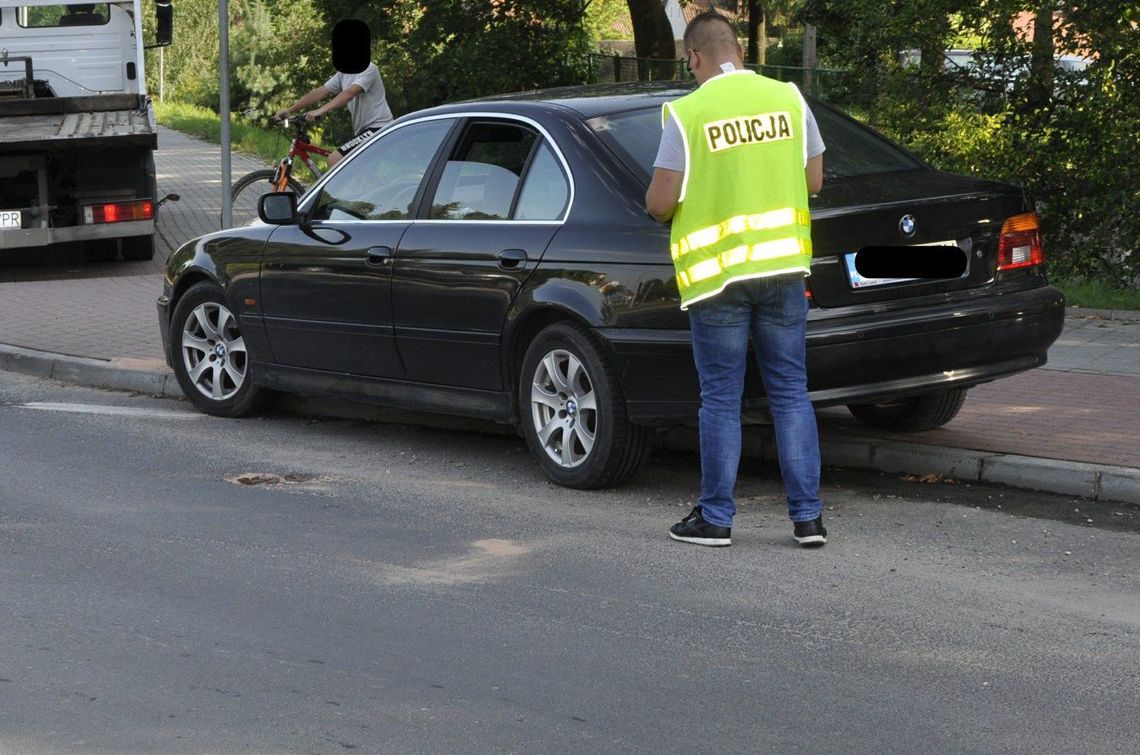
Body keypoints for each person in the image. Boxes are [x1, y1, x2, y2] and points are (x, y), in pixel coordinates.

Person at [645, 11, 828, 549]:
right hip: (783, 270)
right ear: (741, 52)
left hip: (720, 279)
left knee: (722, 398)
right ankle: (808, 519)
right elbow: (813, 180)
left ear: (694, 57)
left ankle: (717, 519)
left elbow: (660, 203)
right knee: (791, 392)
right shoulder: (789, 99)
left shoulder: (687, 113)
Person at [275, 19, 393, 169]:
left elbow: (350, 93)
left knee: (334, 159)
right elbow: (320, 92)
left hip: (379, 128)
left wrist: (321, 110)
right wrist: (290, 110)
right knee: (354, 171)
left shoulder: (370, 68)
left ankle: (333, 193)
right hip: (363, 130)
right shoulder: (343, 72)